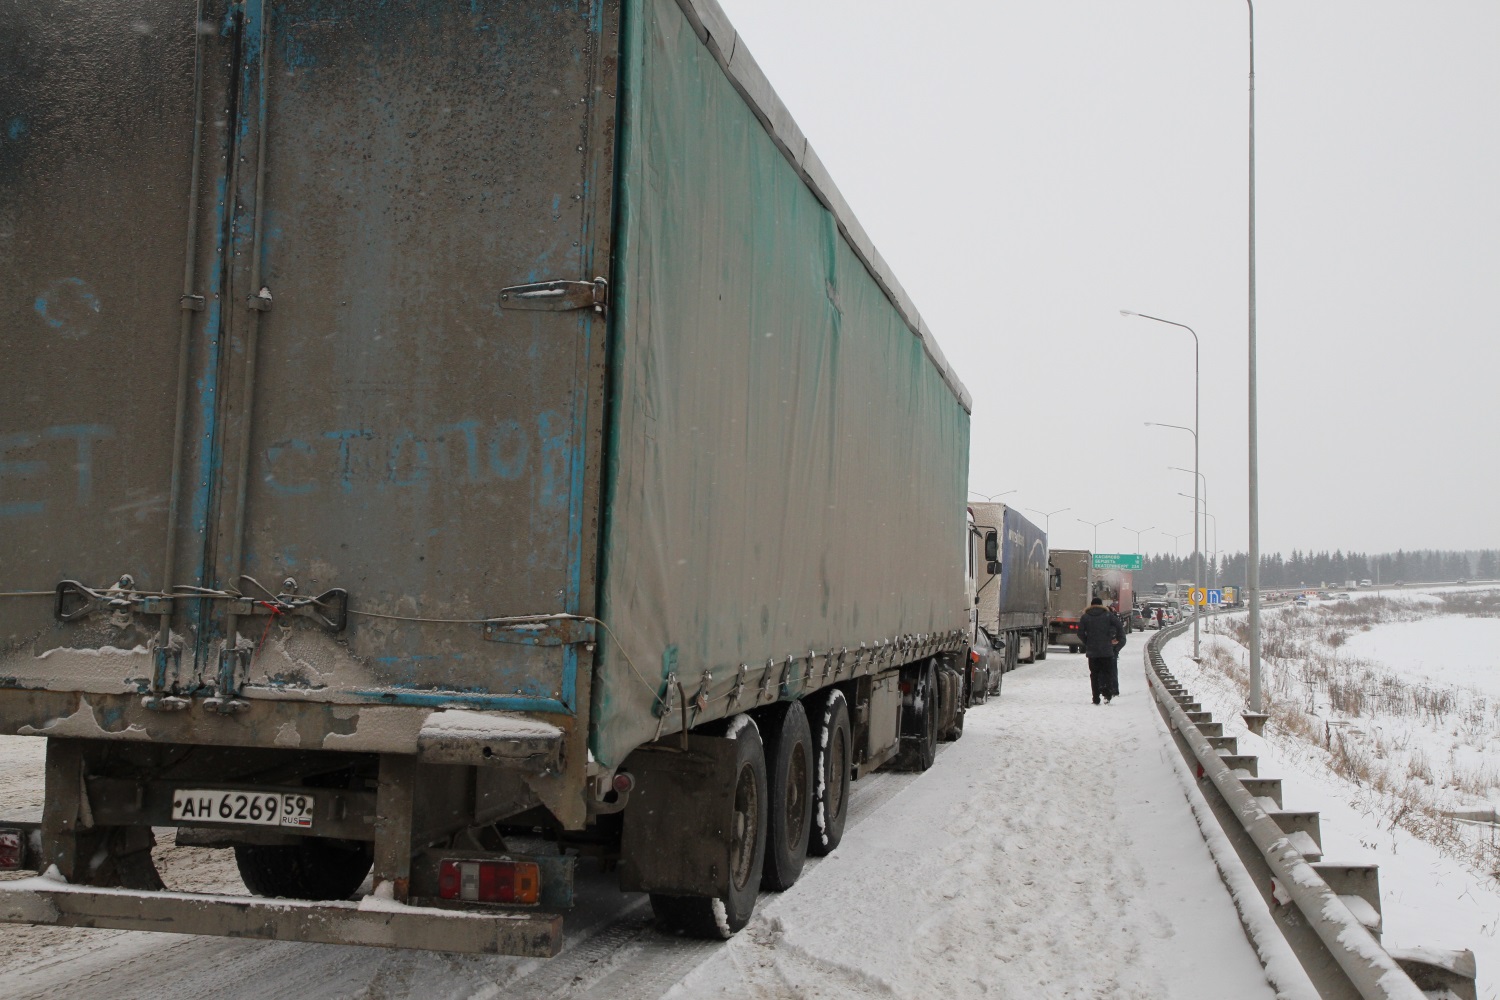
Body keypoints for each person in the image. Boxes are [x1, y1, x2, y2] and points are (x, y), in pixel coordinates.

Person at [1077, 596, 1126, 705]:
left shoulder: (1085, 617)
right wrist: (1116, 640)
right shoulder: (1108, 616)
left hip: (1092, 652)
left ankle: (1095, 697)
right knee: (1107, 673)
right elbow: (1119, 627)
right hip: (1106, 651)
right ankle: (1107, 695)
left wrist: (1088, 642)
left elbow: (1080, 633)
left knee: (1094, 674)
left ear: (1091, 605)